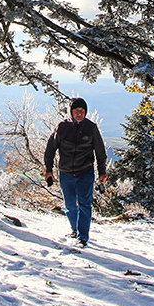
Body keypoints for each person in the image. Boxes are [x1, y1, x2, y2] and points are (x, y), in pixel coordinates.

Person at [44, 97, 107, 247]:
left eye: (82, 111)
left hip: (85, 171)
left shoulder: (91, 128)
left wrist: (102, 172)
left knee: (85, 204)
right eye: (76, 111)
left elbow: (100, 151)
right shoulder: (62, 127)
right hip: (65, 172)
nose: (79, 113)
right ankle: (74, 229)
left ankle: (83, 237)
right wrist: (48, 170)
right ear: (71, 112)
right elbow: (50, 148)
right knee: (70, 205)